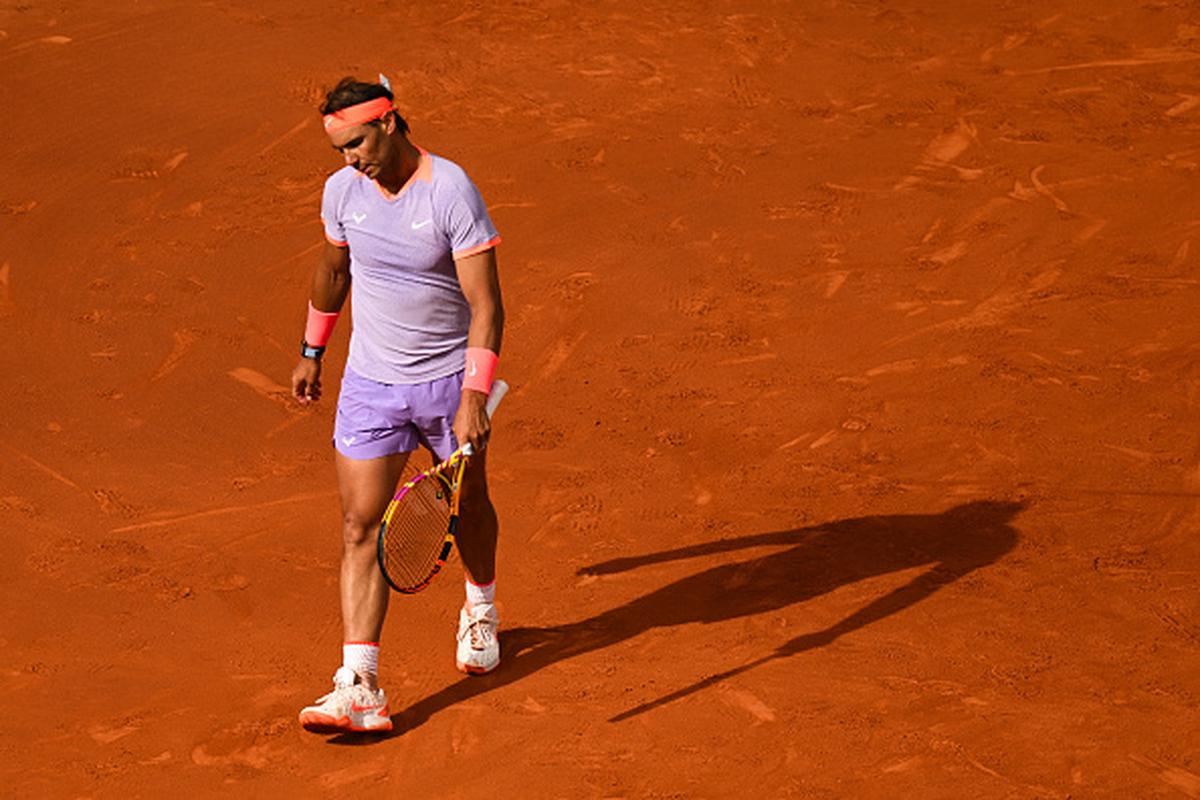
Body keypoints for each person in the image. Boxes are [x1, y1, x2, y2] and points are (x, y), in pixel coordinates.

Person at [290, 76, 505, 733]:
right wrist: (312, 348)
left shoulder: (450, 190)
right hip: (370, 383)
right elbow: (334, 271)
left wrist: (473, 396)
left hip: (445, 381)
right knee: (360, 524)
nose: (350, 159)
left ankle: (481, 605)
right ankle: (360, 684)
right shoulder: (342, 193)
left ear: (388, 124)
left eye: (356, 143)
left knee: (467, 506)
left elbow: (487, 306)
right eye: (338, 150)